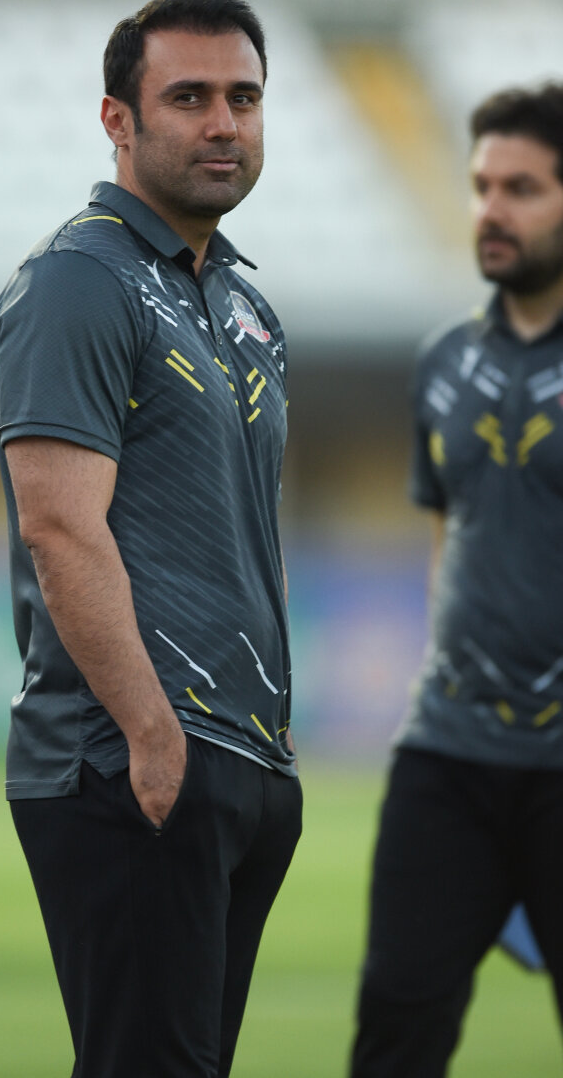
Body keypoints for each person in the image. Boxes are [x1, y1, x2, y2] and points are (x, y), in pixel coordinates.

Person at [0, 0, 302, 1078]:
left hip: (241, 760)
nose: (223, 123)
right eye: (189, 97)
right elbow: (58, 527)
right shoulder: (78, 281)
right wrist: (152, 739)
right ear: (117, 119)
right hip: (128, 755)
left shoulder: (246, 306)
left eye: (244, 98)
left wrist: (267, 751)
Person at [350, 82, 563, 1076]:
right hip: (445, 754)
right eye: (482, 186)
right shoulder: (441, 361)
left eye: (521, 188)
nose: (491, 209)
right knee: (396, 1029)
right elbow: (449, 532)